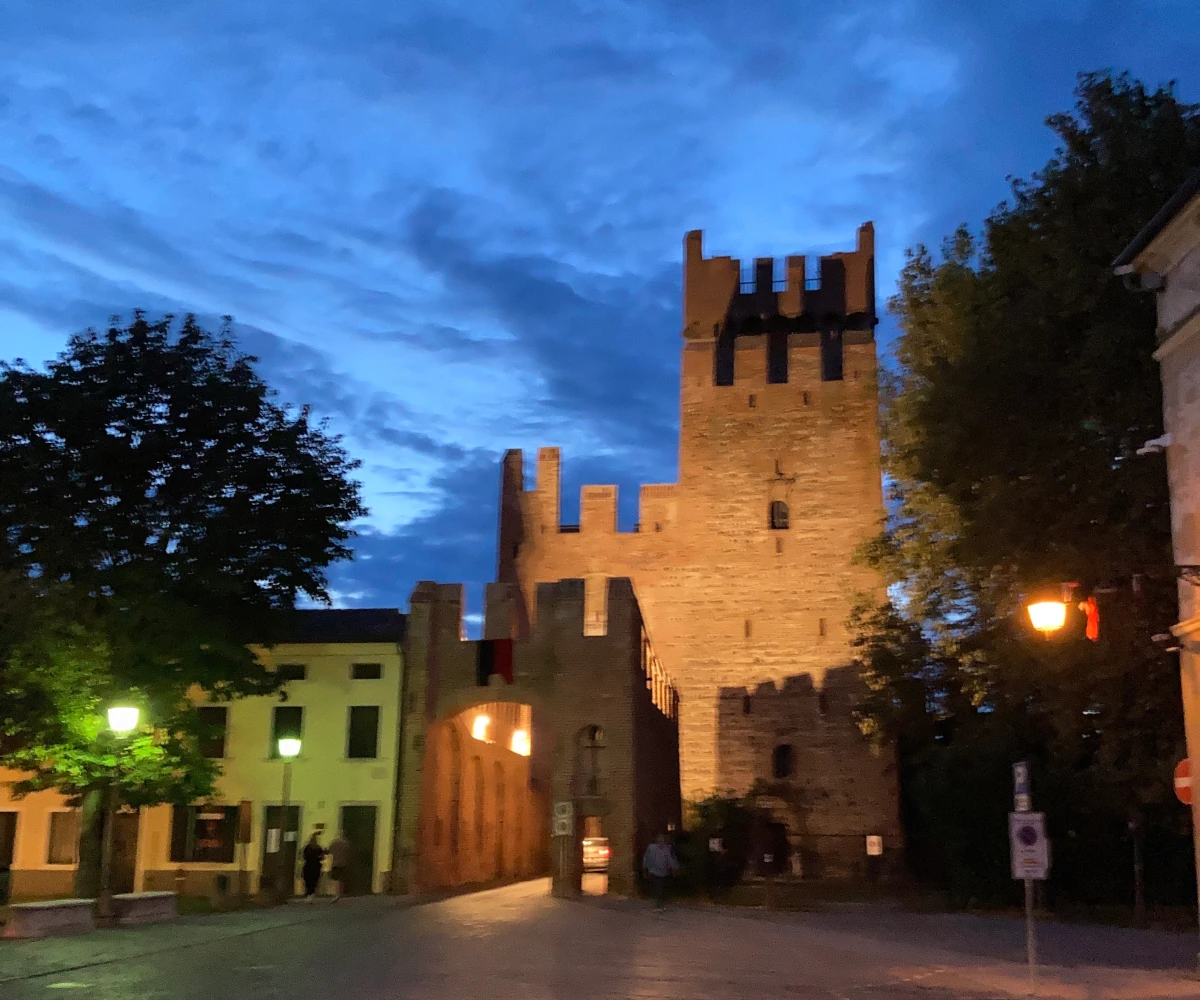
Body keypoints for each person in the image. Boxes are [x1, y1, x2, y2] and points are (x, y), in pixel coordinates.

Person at [642, 832, 679, 911]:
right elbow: (647, 858)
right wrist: (645, 868)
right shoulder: (651, 848)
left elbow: (669, 859)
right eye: (659, 839)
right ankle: (658, 904)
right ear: (656, 840)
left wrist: (673, 867)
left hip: (662, 871)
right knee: (657, 887)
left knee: (661, 887)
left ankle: (659, 904)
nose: (661, 840)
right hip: (654, 871)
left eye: (662, 839)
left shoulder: (666, 848)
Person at [301, 832, 325, 901]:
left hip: (308, 865)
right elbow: (322, 857)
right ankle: (312, 893)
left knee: (308, 880)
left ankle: (309, 894)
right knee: (314, 880)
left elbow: (304, 856)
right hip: (316, 866)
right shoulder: (318, 848)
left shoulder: (307, 848)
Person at [328, 830, 352, 900]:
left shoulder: (334, 843)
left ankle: (336, 893)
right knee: (342, 879)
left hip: (335, 863)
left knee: (335, 879)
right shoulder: (346, 844)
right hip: (343, 863)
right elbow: (348, 853)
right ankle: (340, 893)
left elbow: (330, 851)